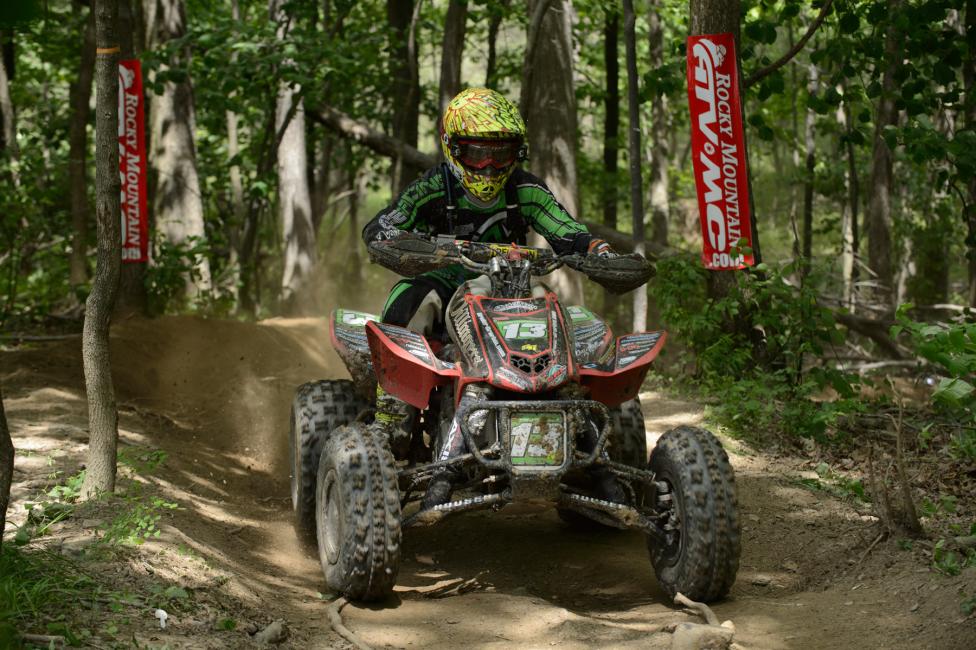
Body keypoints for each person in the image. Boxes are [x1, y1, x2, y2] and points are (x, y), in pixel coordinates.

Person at [362, 87, 619, 506]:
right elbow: (380, 227)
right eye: (478, 153)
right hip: (444, 279)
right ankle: (393, 418)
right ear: (454, 149)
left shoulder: (526, 190)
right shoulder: (432, 188)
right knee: (408, 302)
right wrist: (407, 244)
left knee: (558, 312)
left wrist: (598, 253)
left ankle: (578, 424)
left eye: (501, 154)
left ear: (517, 154)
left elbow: (568, 231)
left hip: (511, 283)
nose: (489, 166)